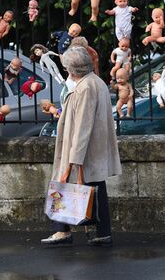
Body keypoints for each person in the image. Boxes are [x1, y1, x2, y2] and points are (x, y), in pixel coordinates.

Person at [41, 47, 122, 247]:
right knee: (96, 188)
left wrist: (75, 156)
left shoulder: (84, 87)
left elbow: (83, 124)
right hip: (93, 147)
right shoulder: (96, 82)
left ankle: (62, 232)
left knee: (62, 184)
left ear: (72, 69)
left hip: (80, 148)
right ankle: (101, 232)